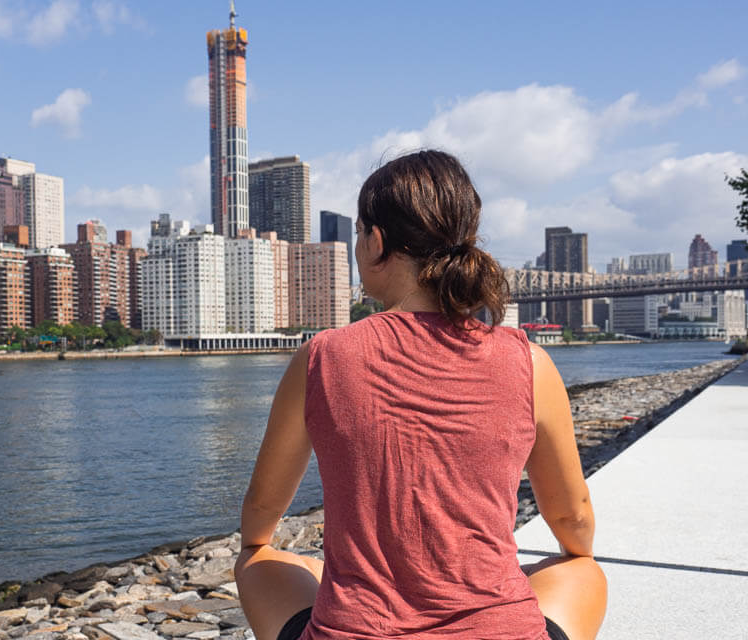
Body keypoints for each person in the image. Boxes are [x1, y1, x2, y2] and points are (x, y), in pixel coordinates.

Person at [234, 150, 607, 640]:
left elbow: (261, 513)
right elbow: (572, 519)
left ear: (376, 242)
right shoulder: (529, 362)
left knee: (260, 559)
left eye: (359, 235)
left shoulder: (322, 357)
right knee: (582, 570)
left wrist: (260, 544)